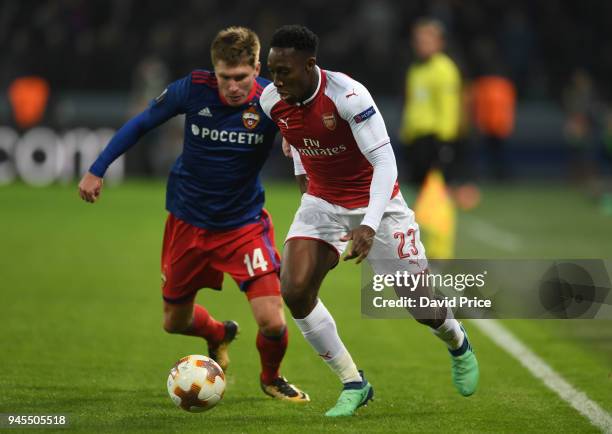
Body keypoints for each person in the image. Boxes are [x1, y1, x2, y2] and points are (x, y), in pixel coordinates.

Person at [78, 26, 309, 402]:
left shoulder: (273, 100)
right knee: (175, 322)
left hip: (243, 226)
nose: (232, 87)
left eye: (241, 78)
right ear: (214, 70)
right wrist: (97, 168)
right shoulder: (191, 88)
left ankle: (271, 377)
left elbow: (307, 136)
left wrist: (294, 143)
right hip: (188, 221)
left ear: (255, 67)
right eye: (224, 78)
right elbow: (141, 124)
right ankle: (217, 333)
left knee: (272, 319)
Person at [260, 25, 479, 417]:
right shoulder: (273, 99)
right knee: (294, 291)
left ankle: (457, 340)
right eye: (271, 71)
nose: (275, 81)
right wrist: (307, 195)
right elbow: (293, 141)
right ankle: (353, 382)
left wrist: (368, 224)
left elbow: (384, 162)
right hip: (322, 201)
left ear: (310, 65)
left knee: (421, 304)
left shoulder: (348, 96)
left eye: (284, 72)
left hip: (377, 203)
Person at [399, 18, 461, 189]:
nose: (421, 45)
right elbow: (411, 104)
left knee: (434, 192)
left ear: (439, 42)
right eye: (418, 41)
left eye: (427, 40)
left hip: (434, 139)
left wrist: (445, 143)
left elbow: (449, 107)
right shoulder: (415, 69)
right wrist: (406, 133)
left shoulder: (444, 69)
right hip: (415, 138)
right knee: (416, 190)